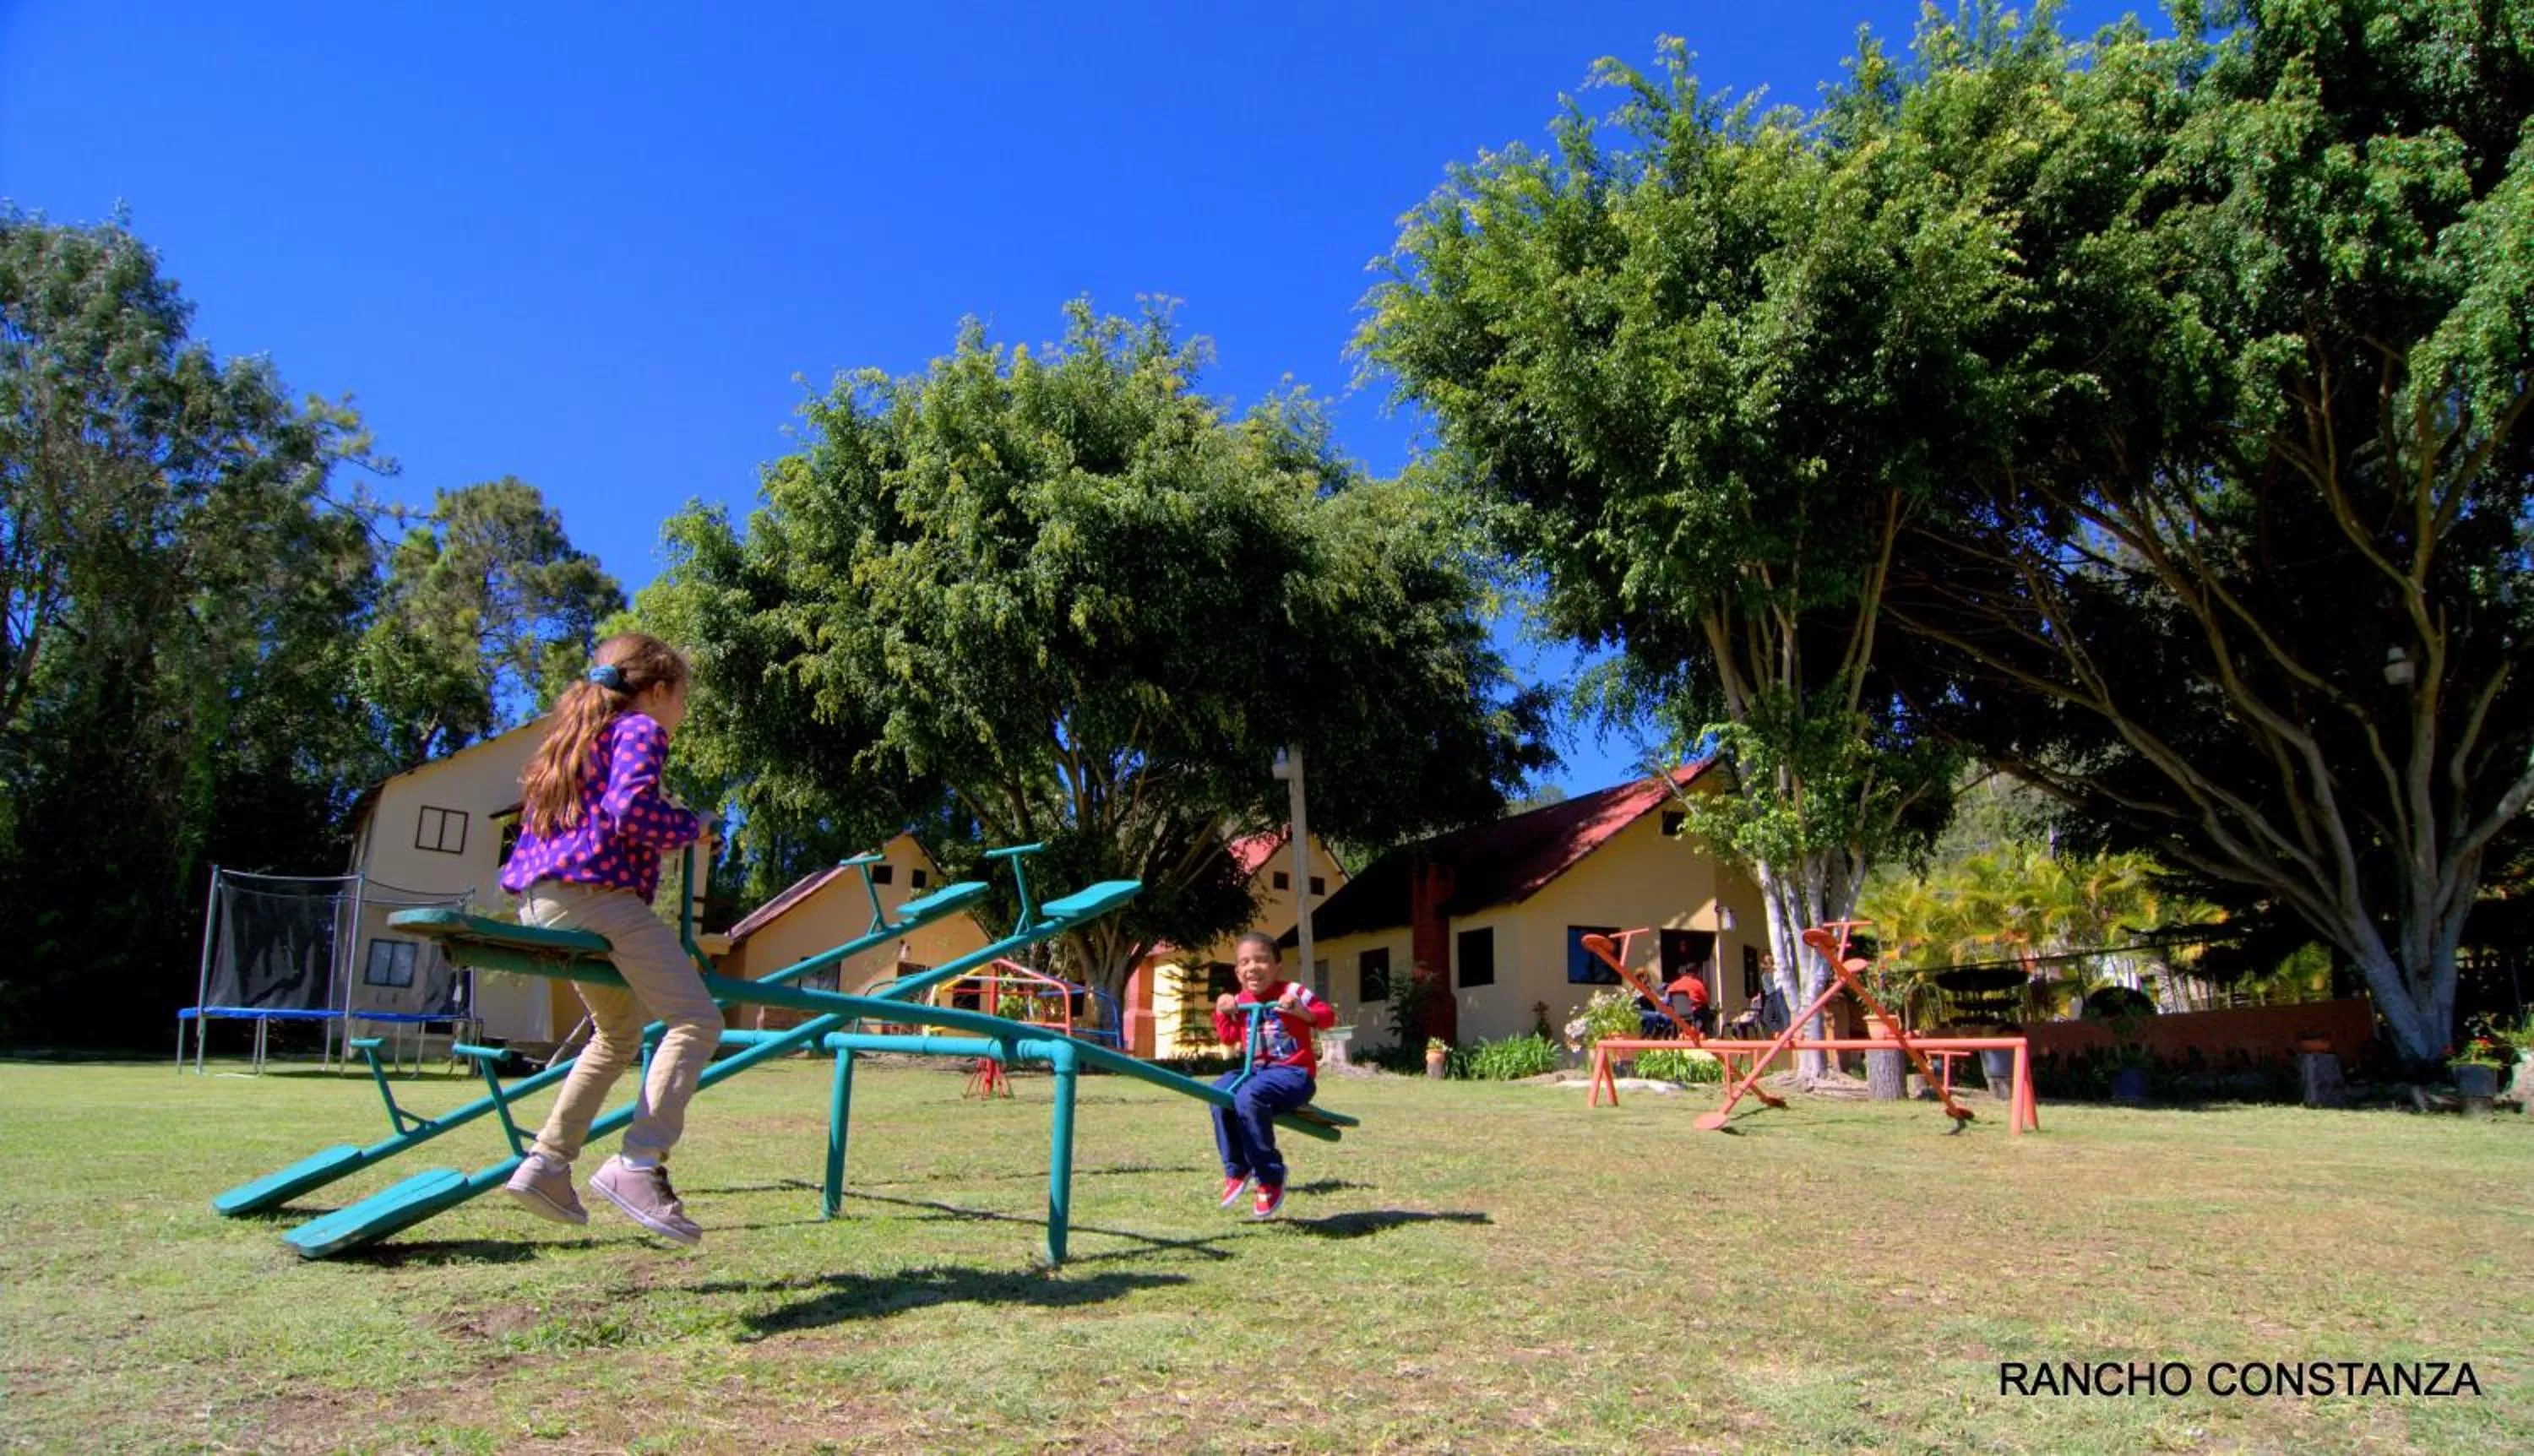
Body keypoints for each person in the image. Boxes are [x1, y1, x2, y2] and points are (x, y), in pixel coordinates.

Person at [497, 632, 716, 1247]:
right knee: (696, 1019)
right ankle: (639, 1163)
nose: (681, 714)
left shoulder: (574, 738)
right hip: (597, 900)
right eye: (683, 700)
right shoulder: (641, 729)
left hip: (541, 902)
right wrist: (691, 827)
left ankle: (546, 1164)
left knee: (618, 1035)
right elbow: (632, 812)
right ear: (661, 689)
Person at [1209, 932, 1335, 1220]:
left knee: (1249, 1096)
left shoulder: (1292, 991)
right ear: (1238, 971)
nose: (1253, 967)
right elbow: (1228, 1038)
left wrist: (1300, 1011)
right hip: (1255, 1072)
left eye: (1262, 960)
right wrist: (1222, 1009)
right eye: (1245, 962)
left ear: (1277, 967)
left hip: (1293, 1074)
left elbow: (1327, 1017)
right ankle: (1237, 1169)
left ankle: (1270, 1176)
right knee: (1218, 1093)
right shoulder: (1240, 1000)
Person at [1665, 966, 1716, 1038]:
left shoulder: (1674, 985)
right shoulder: (1698, 984)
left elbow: (1667, 999)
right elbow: (1705, 999)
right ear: (1694, 973)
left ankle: (1677, 1034)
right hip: (1694, 1013)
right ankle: (1705, 1033)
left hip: (1678, 1014)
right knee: (1705, 1008)